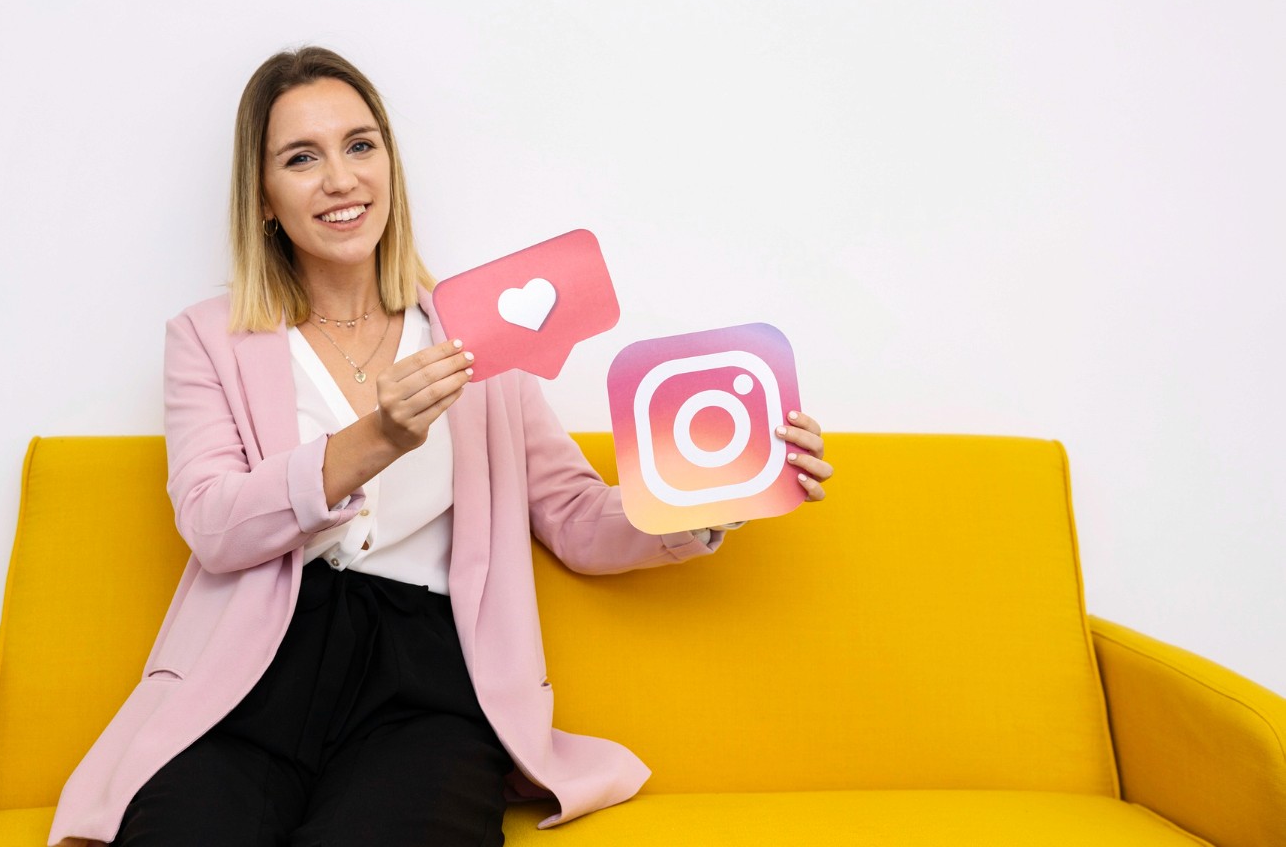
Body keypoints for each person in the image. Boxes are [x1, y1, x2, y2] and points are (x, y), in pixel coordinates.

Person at [47, 46, 834, 847]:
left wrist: (713, 492)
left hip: (420, 692)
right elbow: (214, 527)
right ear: (262, 199)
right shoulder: (209, 338)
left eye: (360, 145)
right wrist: (377, 437)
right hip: (246, 680)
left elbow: (572, 514)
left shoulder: (480, 337)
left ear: (389, 163)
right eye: (301, 158)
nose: (341, 179)